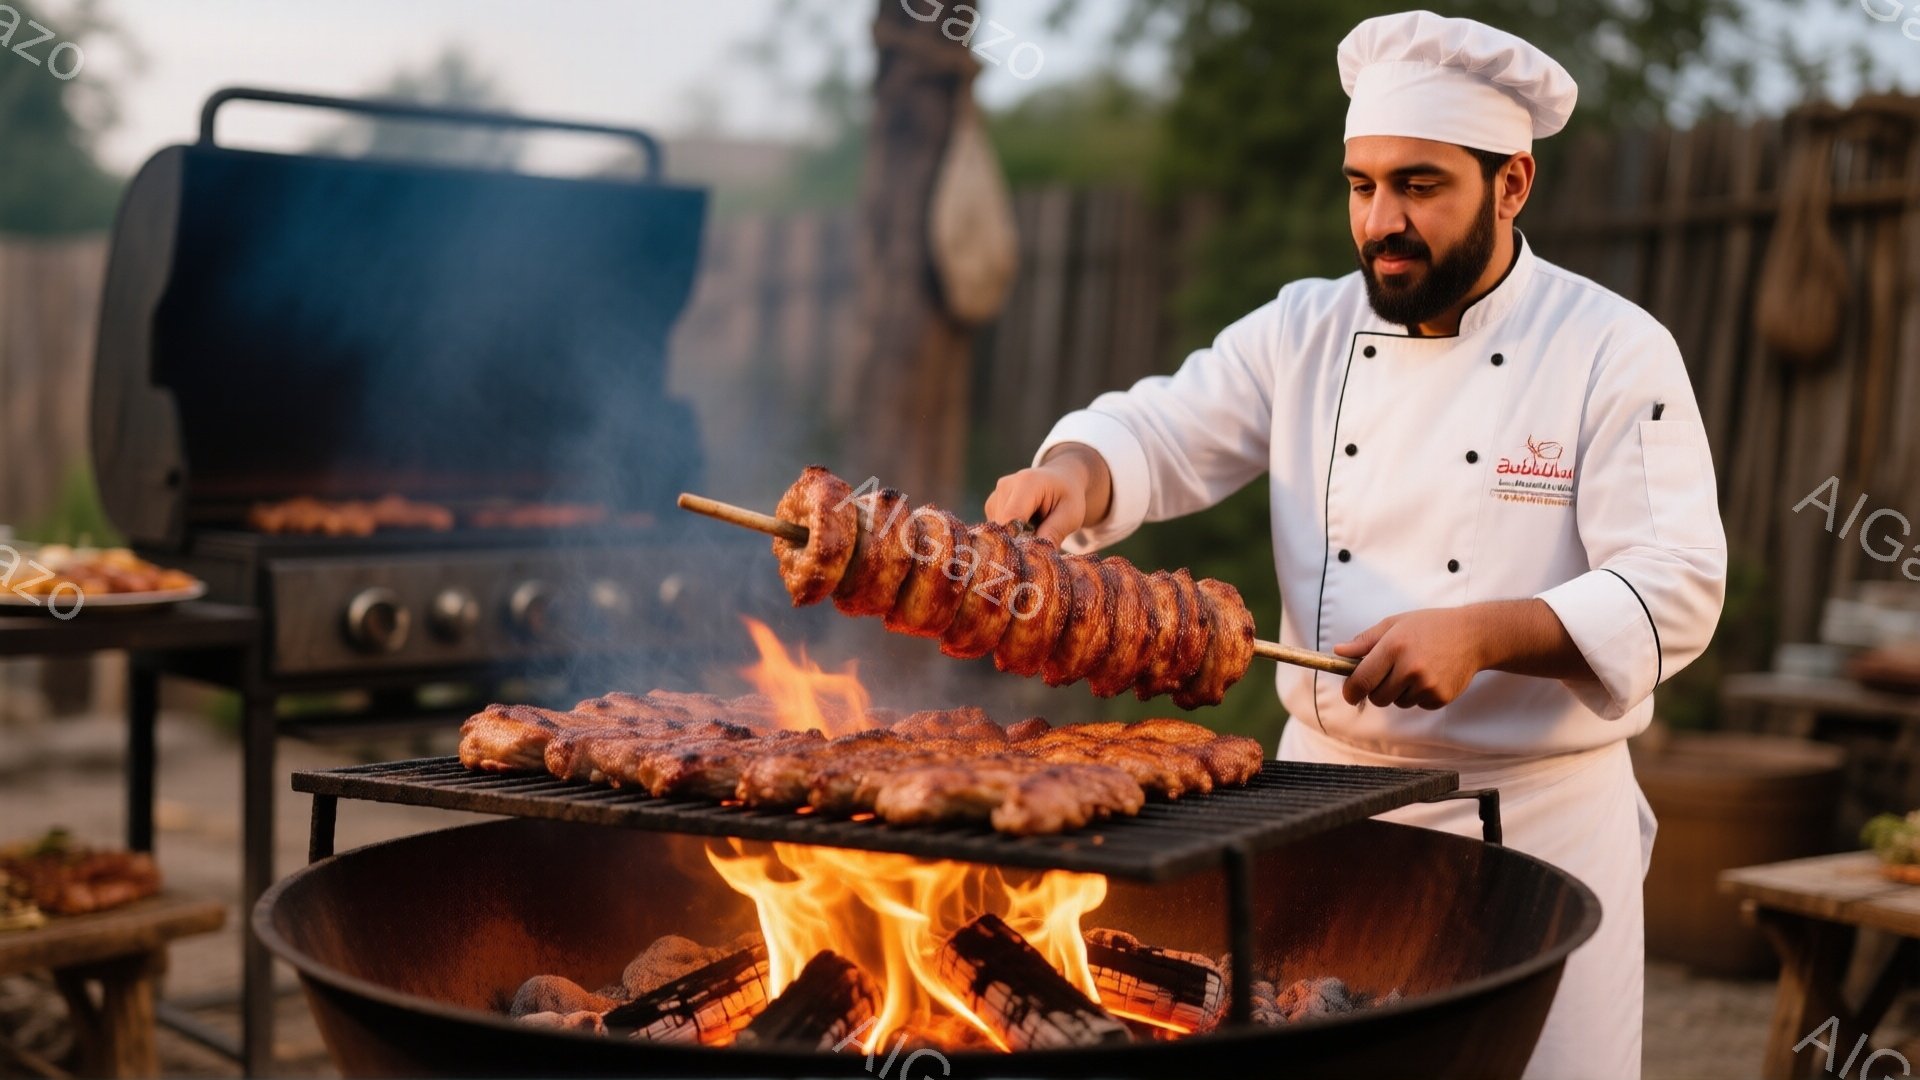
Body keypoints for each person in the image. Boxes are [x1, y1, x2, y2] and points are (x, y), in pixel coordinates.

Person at [984, 11, 1727, 1078]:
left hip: (1533, 823)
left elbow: (1677, 588)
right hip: (1325, 807)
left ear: (1512, 184)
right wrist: (1074, 474)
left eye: (1420, 186)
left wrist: (1484, 633)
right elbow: (1159, 426)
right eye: (1361, 185)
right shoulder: (1306, 330)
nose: (1383, 220)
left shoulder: (1611, 349)